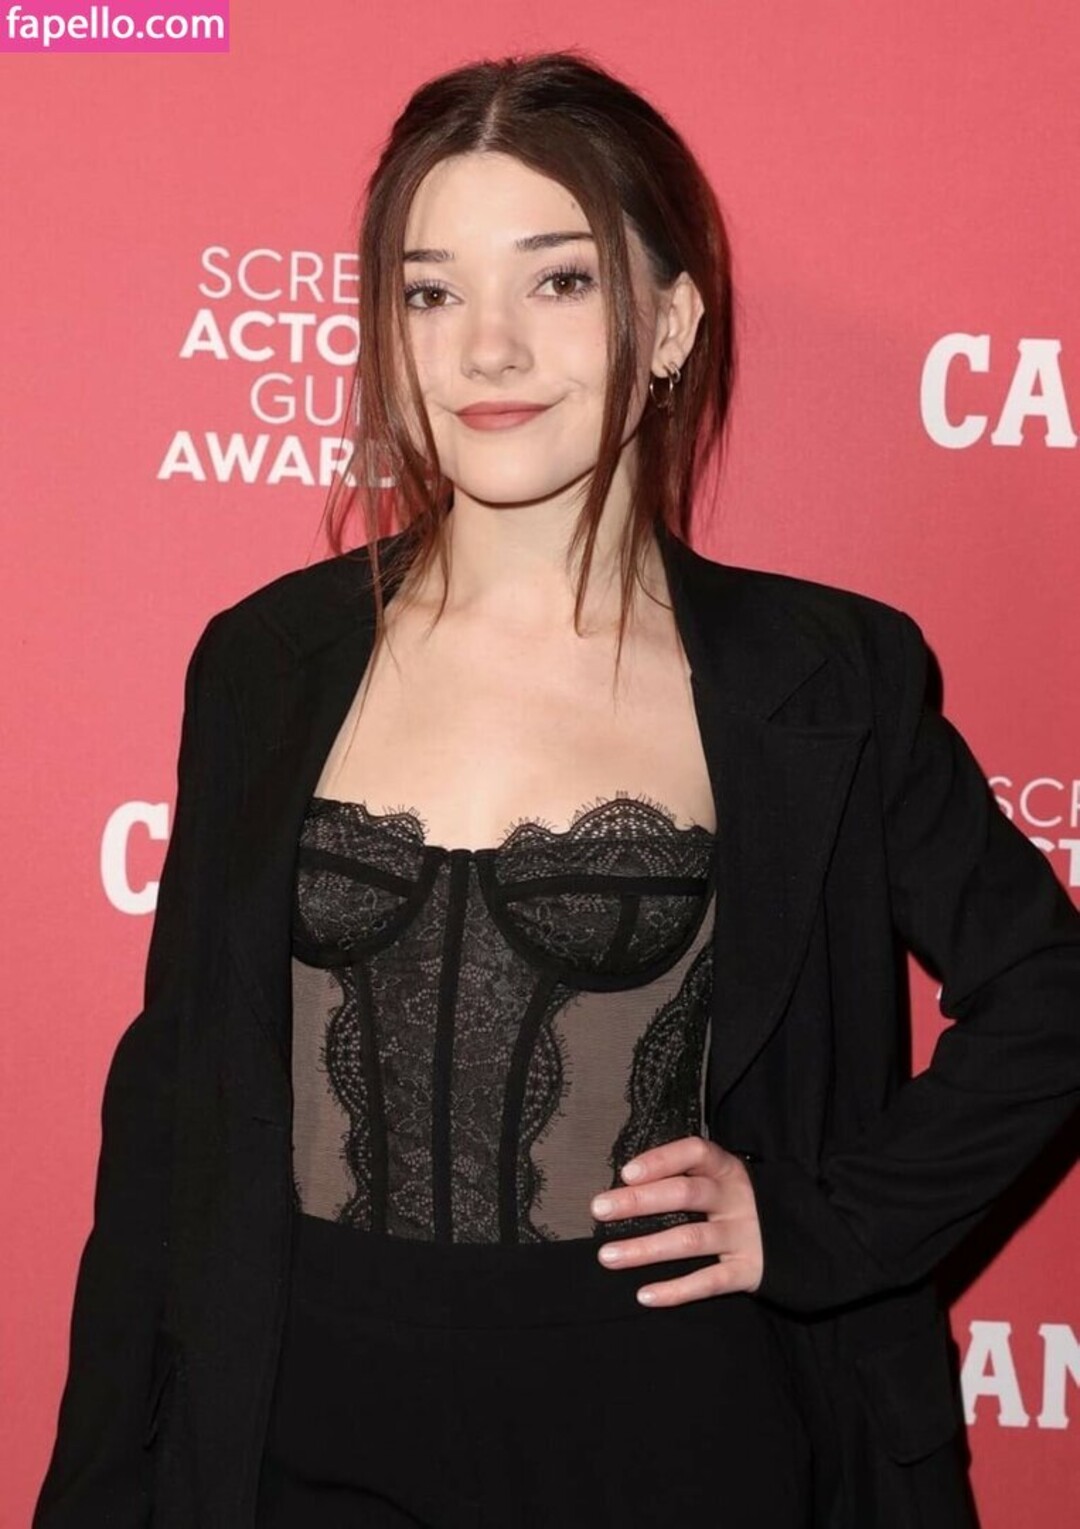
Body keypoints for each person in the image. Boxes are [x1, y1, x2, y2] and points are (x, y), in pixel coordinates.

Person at [34, 49, 1079, 1529]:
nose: (489, 348)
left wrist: (825, 1224)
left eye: (562, 280)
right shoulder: (265, 663)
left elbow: (1049, 994)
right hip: (294, 1438)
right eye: (431, 292)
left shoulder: (823, 677)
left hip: (681, 1436)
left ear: (673, 321)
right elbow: (171, 1118)